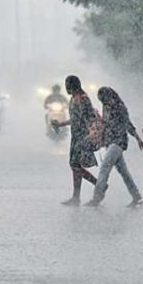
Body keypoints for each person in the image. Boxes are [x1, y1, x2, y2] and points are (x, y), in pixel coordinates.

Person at [84, 87, 143, 208]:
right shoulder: (106, 107)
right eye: (100, 100)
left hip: (118, 141)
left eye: (103, 99)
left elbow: (128, 124)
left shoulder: (119, 107)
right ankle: (137, 197)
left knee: (104, 168)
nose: (103, 102)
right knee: (124, 172)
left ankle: (97, 197)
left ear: (109, 96)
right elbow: (106, 124)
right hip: (110, 141)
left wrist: (138, 139)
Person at [52, 75, 98, 206]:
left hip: (83, 136)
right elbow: (75, 119)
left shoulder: (82, 99)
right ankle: (76, 196)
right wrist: (60, 124)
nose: (66, 88)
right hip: (76, 136)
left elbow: (86, 119)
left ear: (73, 85)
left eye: (68, 85)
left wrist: (90, 134)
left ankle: (98, 184)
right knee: (76, 166)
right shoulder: (74, 98)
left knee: (75, 165)